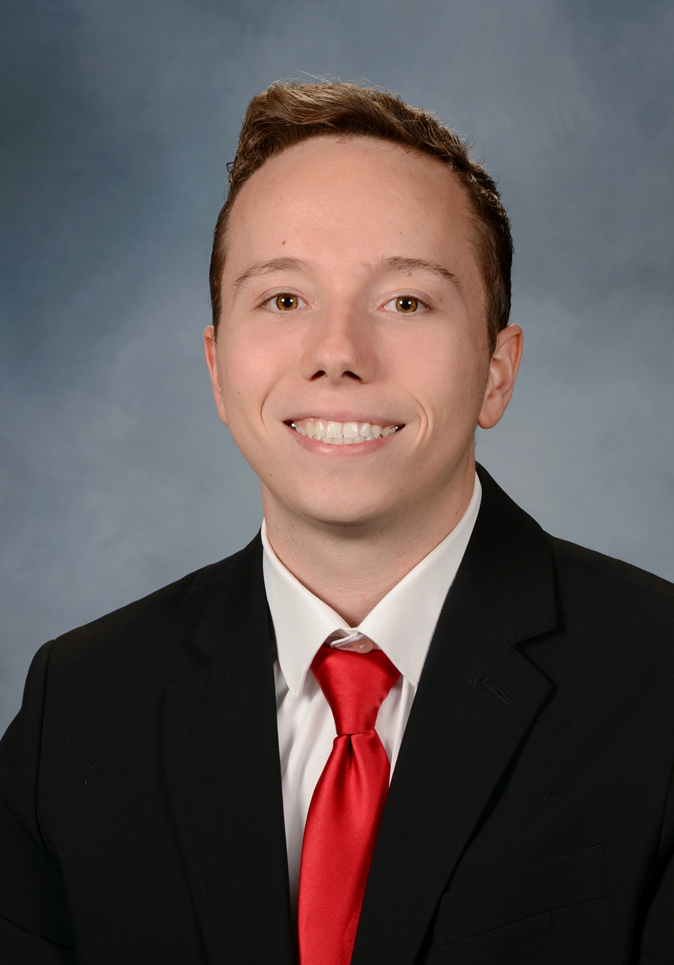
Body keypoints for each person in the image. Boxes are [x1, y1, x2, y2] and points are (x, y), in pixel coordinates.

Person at [1, 80, 673, 965]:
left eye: (406, 301)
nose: (338, 356)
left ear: (497, 370)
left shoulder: (657, 682)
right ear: (216, 367)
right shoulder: (79, 707)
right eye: (284, 299)